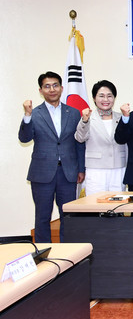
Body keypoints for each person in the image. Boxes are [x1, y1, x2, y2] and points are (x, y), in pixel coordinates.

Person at [19, 71, 85, 243]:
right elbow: (24, 138)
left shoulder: (74, 113)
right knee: (42, 217)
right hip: (42, 173)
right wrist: (27, 115)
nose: (52, 89)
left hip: (68, 173)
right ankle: (43, 253)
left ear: (61, 88)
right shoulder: (34, 113)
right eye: (47, 86)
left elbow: (79, 143)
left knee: (68, 217)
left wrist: (81, 168)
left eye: (55, 85)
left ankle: (68, 254)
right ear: (40, 91)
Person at [74, 80, 127, 196]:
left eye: (109, 96)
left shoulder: (122, 117)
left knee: (118, 202)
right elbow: (80, 138)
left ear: (114, 98)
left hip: (118, 168)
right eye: (101, 96)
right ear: (94, 98)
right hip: (96, 169)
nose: (106, 99)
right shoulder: (88, 118)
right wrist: (84, 121)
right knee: (95, 202)